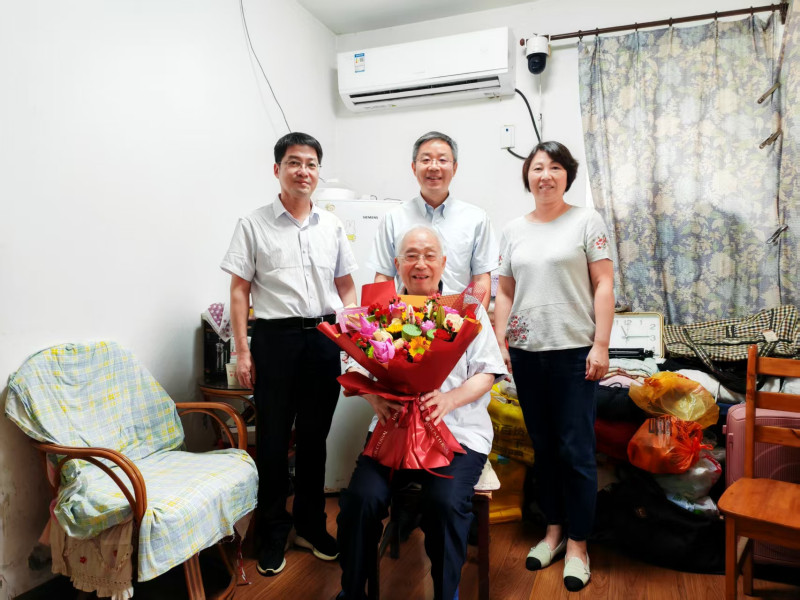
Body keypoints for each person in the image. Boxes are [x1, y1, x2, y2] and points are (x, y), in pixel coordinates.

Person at [336, 225, 507, 600]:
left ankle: (446, 594)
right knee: (361, 500)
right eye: (411, 255)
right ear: (397, 263)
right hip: (392, 429)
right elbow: (354, 368)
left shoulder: (467, 309)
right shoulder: (379, 311)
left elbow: (488, 373)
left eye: (429, 255)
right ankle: (352, 592)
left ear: (444, 262)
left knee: (444, 503)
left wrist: (449, 400)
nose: (420, 263)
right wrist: (374, 399)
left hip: (457, 432)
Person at [220, 132, 357, 577]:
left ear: (318, 172)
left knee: (315, 439)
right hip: (274, 340)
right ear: (277, 169)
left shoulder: (331, 225)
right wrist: (243, 351)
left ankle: (311, 526)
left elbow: (346, 288)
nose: (304, 171)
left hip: (324, 338)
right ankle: (273, 531)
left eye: (311, 164)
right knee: (274, 441)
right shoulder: (253, 224)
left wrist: (351, 339)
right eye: (295, 162)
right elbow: (239, 292)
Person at [493, 141, 614, 592]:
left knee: (576, 451)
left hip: (574, 351)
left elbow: (604, 283)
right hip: (527, 352)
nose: (546, 175)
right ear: (527, 176)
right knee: (542, 449)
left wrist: (601, 344)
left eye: (555, 167)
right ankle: (553, 532)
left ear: (567, 175)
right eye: (538, 167)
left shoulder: (586, 221)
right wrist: (501, 341)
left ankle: (579, 544)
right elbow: (505, 291)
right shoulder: (513, 230)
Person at [366, 131, 498, 308]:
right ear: (414, 167)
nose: (434, 167)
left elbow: (480, 279)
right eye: (426, 160)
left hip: (457, 318)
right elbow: (383, 276)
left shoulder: (476, 219)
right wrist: (387, 321)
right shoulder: (393, 218)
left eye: (442, 160)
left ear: (455, 168)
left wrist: (469, 318)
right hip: (406, 319)